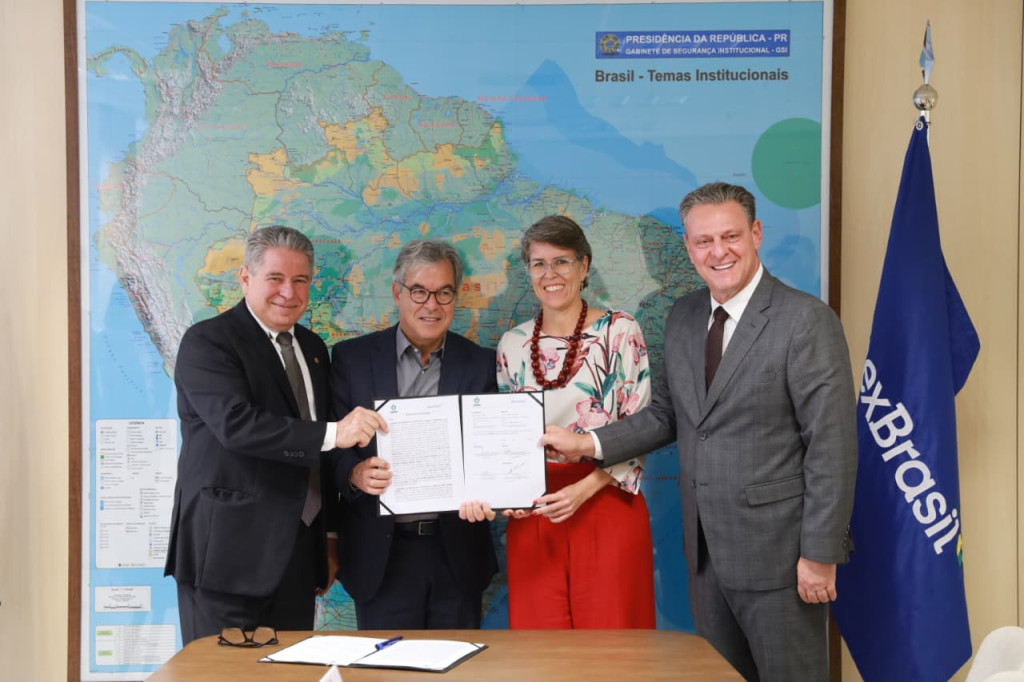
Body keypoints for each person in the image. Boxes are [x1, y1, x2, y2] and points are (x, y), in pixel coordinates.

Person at [541, 183, 857, 681]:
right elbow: (667, 415)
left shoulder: (805, 320)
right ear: (688, 247)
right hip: (705, 558)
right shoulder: (685, 315)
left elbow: (832, 446)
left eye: (730, 236)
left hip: (781, 560)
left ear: (756, 234)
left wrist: (819, 555)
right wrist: (586, 443)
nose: (718, 251)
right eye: (704, 241)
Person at [165, 225, 388, 645]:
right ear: (245, 277)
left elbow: (319, 457)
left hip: (298, 560)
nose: (289, 292)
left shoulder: (314, 349)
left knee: (290, 670)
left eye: (300, 280)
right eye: (275, 278)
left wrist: (329, 537)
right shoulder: (208, 342)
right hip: (226, 560)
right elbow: (237, 425)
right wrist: (335, 432)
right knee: (220, 674)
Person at [463, 214, 655, 629]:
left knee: (613, 638)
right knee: (540, 645)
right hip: (537, 512)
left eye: (561, 262)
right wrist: (508, 494)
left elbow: (641, 428)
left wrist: (582, 491)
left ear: (583, 267)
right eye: (538, 264)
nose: (549, 274)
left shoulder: (620, 331)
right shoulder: (512, 344)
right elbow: (506, 437)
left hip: (606, 501)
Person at [330, 239, 498, 630]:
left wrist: (489, 488)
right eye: (419, 291)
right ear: (397, 293)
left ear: (455, 296)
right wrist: (354, 473)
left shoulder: (482, 365)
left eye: (444, 292)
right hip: (381, 556)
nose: (431, 305)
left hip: (457, 552)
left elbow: (491, 452)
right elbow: (330, 447)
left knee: (459, 663)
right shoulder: (352, 359)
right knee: (386, 663)